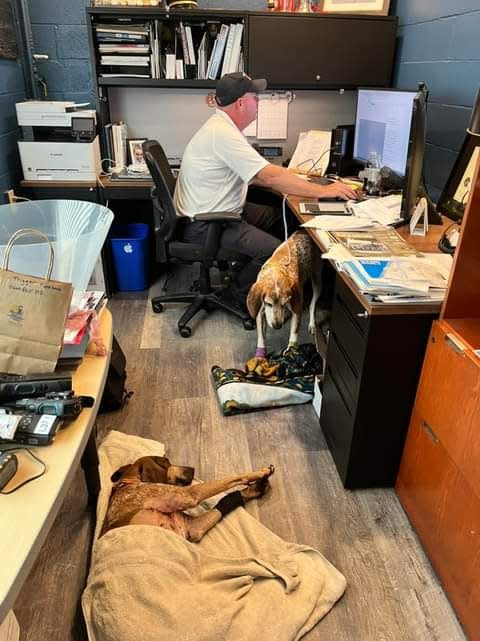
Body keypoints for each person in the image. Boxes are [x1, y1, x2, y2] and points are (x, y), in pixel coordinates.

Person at [174, 72, 357, 310]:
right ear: (241, 103)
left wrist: (287, 180)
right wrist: (324, 191)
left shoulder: (221, 127)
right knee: (273, 251)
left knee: (278, 218)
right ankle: (237, 296)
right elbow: (269, 176)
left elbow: (258, 175)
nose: (259, 103)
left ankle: (285, 285)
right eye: (255, 98)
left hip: (216, 212)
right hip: (207, 224)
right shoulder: (223, 134)